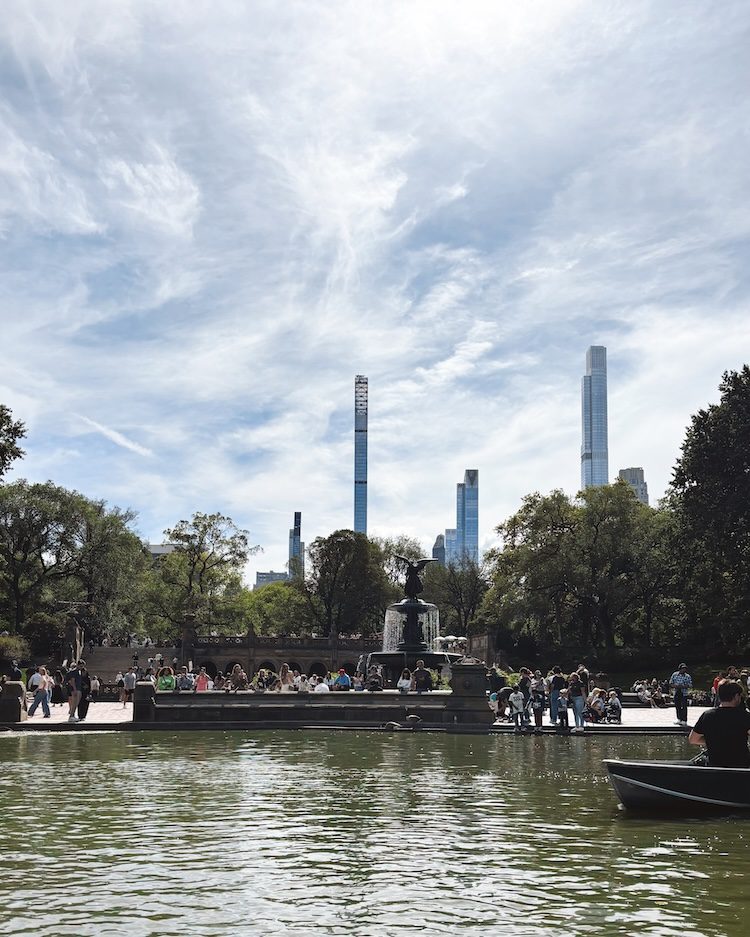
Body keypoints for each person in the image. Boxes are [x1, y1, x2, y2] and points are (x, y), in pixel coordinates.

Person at [689, 681, 750, 767]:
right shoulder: (744, 716)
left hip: (715, 766)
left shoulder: (707, 715)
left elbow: (693, 739)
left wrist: (714, 741)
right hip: (740, 766)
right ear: (736, 696)